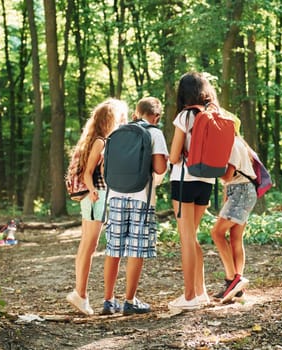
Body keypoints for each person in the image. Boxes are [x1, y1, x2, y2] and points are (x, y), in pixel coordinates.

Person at [101, 97, 169, 315]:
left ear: (135, 114)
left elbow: (106, 167)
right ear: (156, 117)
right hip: (142, 196)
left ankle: (109, 301)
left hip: (116, 196)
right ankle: (130, 301)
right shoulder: (155, 133)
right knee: (135, 249)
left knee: (114, 249)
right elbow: (159, 169)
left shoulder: (117, 133)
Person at [67, 98, 129, 316]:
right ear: (111, 120)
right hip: (96, 197)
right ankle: (80, 293)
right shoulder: (101, 142)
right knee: (89, 245)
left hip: (95, 197)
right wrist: (93, 190)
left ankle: (80, 293)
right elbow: (88, 172)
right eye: (121, 118)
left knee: (87, 245)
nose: (124, 121)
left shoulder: (97, 140)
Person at [167, 72, 219, 311]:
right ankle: (201, 292)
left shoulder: (185, 116)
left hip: (184, 181)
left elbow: (175, 156)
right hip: (206, 182)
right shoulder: (214, 115)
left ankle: (188, 297)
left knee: (186, 239)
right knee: (193, 237)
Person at [210, 114, 257, 303]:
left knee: (217, 233)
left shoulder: (232, 145)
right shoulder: (239, 144)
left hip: (241, 191)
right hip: (242, 190)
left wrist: (209, 166)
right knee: (235, 238)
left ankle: (232, 279)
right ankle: (237, 288)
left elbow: (228, 175)